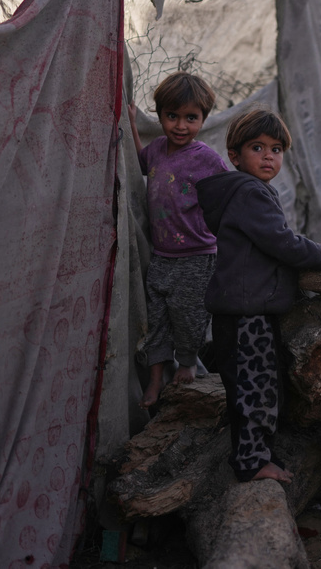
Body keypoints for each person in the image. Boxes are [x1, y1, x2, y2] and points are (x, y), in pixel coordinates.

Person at [196, 109, 321, 483]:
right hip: (247, 313)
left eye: (276, 149)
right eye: (257, 148)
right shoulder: (249, 194)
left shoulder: (245, 192)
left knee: (251, 385)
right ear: (234, 155)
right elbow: (282, 242)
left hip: (242, 309)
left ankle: (256, 453)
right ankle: (252, 462)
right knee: (255, 389)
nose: (268, 157)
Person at [127, 71, 228, 409]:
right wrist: (129, 126)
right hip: (162, 255)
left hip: (197, 256)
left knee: (189, 317)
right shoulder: (156, 149)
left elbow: (227, 195)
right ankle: (155, 379)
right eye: (172, 116)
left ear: (203, 119)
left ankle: (186, 365)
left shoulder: (207, 159)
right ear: (160, 116)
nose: (181, 125)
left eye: (191, 118)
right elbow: (138, 164)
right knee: (157, 319)